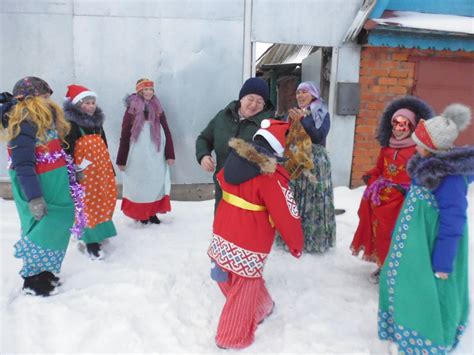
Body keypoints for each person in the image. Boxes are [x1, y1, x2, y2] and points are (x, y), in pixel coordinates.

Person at [378, 103, 473, 354]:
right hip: (412, 244)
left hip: (432, 247)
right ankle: (402, 331)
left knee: (428, 292)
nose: (414, 147)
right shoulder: (423, 165)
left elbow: (454, 222)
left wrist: (443, 262)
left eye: (418, 143)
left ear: (433, 148)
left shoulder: (450, 179)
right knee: (402, 285)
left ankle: (429, 341)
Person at [207, 119, 304, 349]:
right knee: (245, 286)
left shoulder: (234, 158)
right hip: (249, 239)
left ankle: (262, 307)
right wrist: (295, 243)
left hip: (223, 230)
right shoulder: (272, 176)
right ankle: (230, 337)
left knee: (229, 275)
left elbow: (221, 179)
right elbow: (287, 214)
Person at [4, 77, 77, 296]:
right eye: (44, 97)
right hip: (34, 183)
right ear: (29, 100)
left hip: (54, 180)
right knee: (39, 224)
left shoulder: (45, 121)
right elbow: (23, 163)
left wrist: (72, 172)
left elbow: (54, 151)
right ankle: (33, 279)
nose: (49, 101)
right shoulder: (23, 124)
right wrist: (34, 197)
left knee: (60, 219)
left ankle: (45, 271)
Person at [350, 96, 434, 283]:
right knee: (380, 233)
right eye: (395, 124)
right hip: (383, 199)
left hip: (404, 200)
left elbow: (422, 174)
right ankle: (383, 265)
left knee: (397, 235)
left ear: (412, 127)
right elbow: (380, 168)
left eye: (403, 125)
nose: (398, 129)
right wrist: (371, 176)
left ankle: (398, 268)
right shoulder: (387, 148)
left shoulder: (417, 150)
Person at [195, 77, 274, 210]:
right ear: (241, 98)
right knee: (221, 229)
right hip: (222, 190)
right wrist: (203, 155)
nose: (254, 104)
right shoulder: (222, 116)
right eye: (250, 99)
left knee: (245, 230)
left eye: (260, 102)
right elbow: (204, 138)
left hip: (250, 197)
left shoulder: (268, 125)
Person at [276, 81, 335, 253]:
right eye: (298, 92)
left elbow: (319, 135)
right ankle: (292, 238)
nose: (300, 95)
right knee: (293, 198)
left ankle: (313, 241)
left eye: (304, 92)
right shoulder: (295, 112)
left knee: (313, 200)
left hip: (314, 161)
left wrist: (303, 120)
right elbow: (287, 136)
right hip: (295, 159)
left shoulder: (321, 112)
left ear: (314, 94)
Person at [64, 84, 117, 260]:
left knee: (105, 198)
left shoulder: (97, 123)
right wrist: (73, 172)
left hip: (101, 171)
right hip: (84, 173)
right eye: (86, 102)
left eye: (93, 102)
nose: (91, 106)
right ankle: (90, 240)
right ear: (77, 105)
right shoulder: (71, 125)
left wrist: (109, 168)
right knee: (87, 203)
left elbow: (104, 145)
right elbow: (68, 150)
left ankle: (100, 231)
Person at [116, 78, 175, 224]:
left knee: (155, 182)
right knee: (140, 182)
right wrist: (121, 159)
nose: (149, 92)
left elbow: (166, 130)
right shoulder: (132, 109)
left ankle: (152, 212)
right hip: (138, 152)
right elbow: (124, 134)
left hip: (156, 150)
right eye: (145, 90)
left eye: (151, 89)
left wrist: (170, 154)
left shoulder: (158, 107)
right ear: (139, 91)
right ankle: (141, 213)